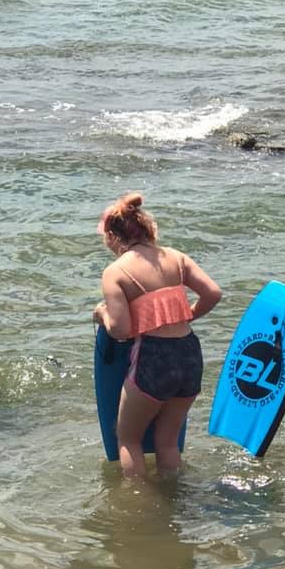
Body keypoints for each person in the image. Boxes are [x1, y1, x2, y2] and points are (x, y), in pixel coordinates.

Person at [93, 192, 222, 479]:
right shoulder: (176, 257)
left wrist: (102, 314)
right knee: (167, 441)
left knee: (128, 439)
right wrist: (185, 315)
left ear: (113, 236)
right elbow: (213, 293)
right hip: (189, 353)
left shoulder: (115, 272)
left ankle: (138, 500)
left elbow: (120, 329)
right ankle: (173, 492)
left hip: (153, 356)